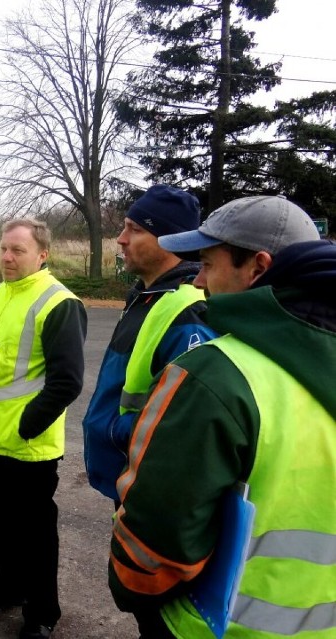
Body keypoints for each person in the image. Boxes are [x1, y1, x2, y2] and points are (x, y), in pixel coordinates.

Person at [108, 195, 331, 638]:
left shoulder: (218, 373)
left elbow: (156, 542)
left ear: (259, 268)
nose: (200, 281)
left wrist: (134, 594)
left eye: (208, 264)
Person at [0, 218, 87, 639]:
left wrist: (25, 427)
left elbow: (67, 381)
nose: (6, 257)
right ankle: (8, 588)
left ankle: (42, 612)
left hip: (30, 446)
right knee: (2, 523)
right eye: (3, 248)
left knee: (35, 533)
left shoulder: (59, 302)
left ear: (42, 254)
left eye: (17, 250)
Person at [82, 184, 217, 503]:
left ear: (171, 240)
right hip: (130, 479)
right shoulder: (146, 299)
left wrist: (115, 433)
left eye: (135, 229)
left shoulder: (187, 310)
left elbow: (183, 423)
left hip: (151, 489)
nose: (121, 238)